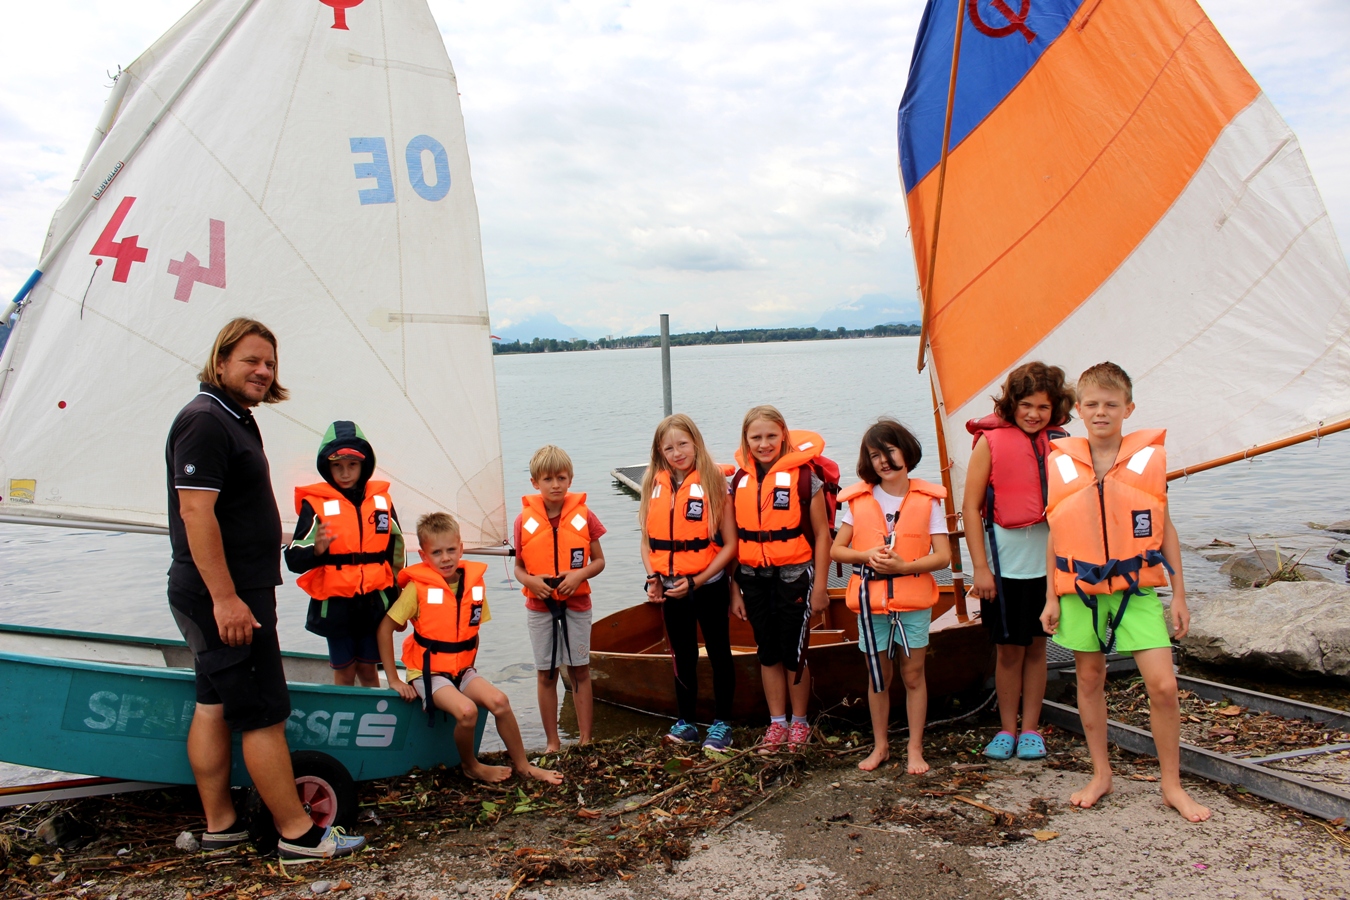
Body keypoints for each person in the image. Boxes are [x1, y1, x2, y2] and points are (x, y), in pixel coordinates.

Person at [165, 318, 365, 861]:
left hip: (228, 591)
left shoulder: (234, 418)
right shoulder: (205, 421)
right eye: (251, 360)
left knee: (213, 705)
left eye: (270, 363)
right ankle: (298, 834)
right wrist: (226, 598)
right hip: (225, 597)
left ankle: (222, 827)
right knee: (263, 713)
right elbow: (195, 513)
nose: (263, 371)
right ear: (221, 361)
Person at [1040, 362, 1210, 822]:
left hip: (1136, 590)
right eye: (1092, 404)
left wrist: (1180, 594)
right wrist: (1051, 597)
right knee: (1089, 680)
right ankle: (1101, 774)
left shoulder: (1147, 463)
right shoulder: (1061, 463)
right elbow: (1057, 532)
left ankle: (1171, 785)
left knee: (1164, 686)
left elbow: (1165, 530)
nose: (1101, 412)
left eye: (1111, 405)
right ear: (1078, 410)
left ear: (1128, 409)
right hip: (1080, 590)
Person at [377, 513, 562, 785]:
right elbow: (384, 630)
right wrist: (394, 680)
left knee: (500, 702)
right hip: (428, 673)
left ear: (461, 548)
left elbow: (473, 634)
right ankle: (471, 765)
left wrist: (468, 671)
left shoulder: (473, 585)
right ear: (423, 555)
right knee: (467, 711)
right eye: (436, 552)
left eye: (451, 550)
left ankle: (524, 767)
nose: (446, 558)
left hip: (463, 670)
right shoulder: (417, 589)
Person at [962, 362, 1074, 762]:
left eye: (1043, 407)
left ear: (1055, 409)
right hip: (1003, 569)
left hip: (1046, 569)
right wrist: (980, 569)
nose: (1034, 414)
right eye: (1026, 405)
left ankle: (1031, 730)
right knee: (1009, 652)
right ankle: (1006, 729)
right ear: (1011, 405)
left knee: (1038, 648)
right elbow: (970, 508)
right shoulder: (989, 443)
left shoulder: (1061, 443)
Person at [831, 419, 950, 774]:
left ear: (906, 452)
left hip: (912, 604)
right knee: (878, 676)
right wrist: (865, 555)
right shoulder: (860, 501)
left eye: (890, 451)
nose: (883, 460)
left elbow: (943, 556)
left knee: (913, 676)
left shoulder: (928, 502)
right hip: (871, 604)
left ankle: (915, 748)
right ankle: (880, 746)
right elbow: (837, 550)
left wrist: (904, 566)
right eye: (875, 455)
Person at [729, 406, 831, 753]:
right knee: (767, 652)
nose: (764, 444)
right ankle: (777, 724)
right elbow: (735, 540)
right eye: (756, 437)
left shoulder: (804, 479)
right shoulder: (738, 482)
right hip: (753, 579)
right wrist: (734, 590)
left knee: (793, 652)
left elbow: (822, 536)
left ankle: (799, 722)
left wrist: (820, 588)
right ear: (745, 440)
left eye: (771, 436)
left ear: (783, 435)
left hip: (795, 577)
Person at [639, 414, 739, 752]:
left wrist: (696, 581)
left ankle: (722, 723)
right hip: (670, 587)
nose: (677, 452)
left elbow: (730, 545)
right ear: (660, 451)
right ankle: (686, 723)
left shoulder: (714, 483)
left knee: (719, 652)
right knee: (682, 655)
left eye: (683, 444)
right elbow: (647, 540)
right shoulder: (654, 483)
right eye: (669, 448)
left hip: (708, 585)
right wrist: (653, 578)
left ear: (695, 442)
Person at [285, 421, 402, 687]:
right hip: (337, 605)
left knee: (369, 670)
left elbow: (396, 549)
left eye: (352, 465)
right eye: (337, 466)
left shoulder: (382, 501)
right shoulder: (316, 504)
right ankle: (344, 712)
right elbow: (293, 558)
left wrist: (400, 593)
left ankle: (372, 712)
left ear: (364, 465)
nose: (345, 473)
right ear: (327, 467)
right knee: (345, 672)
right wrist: (317, 550)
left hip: (374, 601)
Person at [513, 445, 606, 752]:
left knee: (579, 669)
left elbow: (599, 561)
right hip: (540, 607)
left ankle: (585, 739)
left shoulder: (585, 516)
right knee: (546, 673)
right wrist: (530, 582)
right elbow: (519, 568)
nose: (555, 485)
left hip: (577, 604)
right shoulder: (523, 521)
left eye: (561, 478)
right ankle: (552, 742)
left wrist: (579, 576)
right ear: (535, 482)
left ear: (570, 479)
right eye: (548, 479)